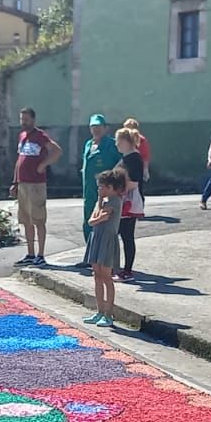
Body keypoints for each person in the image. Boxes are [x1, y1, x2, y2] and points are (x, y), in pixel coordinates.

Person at [12, 107, 62, 267]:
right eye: (21, 119)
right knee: (26, 220)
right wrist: (15, 182)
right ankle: (30, 253)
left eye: (26, 119)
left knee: (38, 219)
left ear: (33, 120)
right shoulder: (22, 136)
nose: (23, 122)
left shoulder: (40, 136)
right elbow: (19, 160)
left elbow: (56, 151)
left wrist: (43, 165)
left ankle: (40, 254)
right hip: (23, 184)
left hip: (36, 184)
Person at [83, 167, 128, 328]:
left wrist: (97, 216)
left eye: (101, 186)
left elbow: (95, 220)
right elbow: (93, 218)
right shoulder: (102, 201)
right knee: (97, 275)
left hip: (107, 240)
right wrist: (99, 203)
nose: (99, 189)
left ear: (110, 187)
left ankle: (109, 314)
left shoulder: (115, 201)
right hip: (97, 238)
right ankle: (99, 311)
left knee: (106, 277)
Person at [80, 113, 121, 250]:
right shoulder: (88, 144)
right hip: (89, 191)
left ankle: (103, 256)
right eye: (93, 126)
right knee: (88, 220)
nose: (95, 129)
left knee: (103, 222)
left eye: (98, 126)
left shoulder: (111, 144)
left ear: (105, 128)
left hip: (106, 191)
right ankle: (90, 254)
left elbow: (122, 163)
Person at [114, 127, 146, 281]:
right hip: (122, 200)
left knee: (127, 236)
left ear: (126, 141)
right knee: (120, 234)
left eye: (118, 141)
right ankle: (118, 267)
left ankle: (127, 270)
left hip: (129, 201)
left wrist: (117, 190)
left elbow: (134, 182)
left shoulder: (134, 159)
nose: (116, 144)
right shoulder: (126, 158)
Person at [123, 117, 151, 182]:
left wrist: (145, 170)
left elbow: (145, 156)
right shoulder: (122, 140)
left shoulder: (142, 141)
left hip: (137, 168)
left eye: (127, 127)